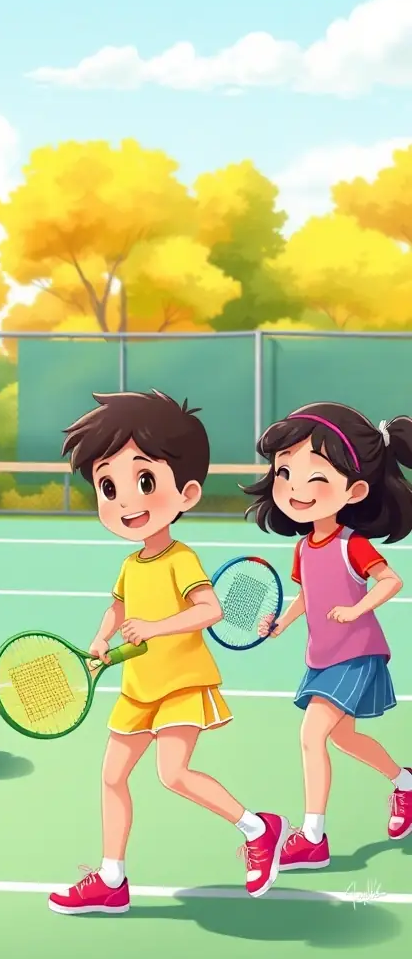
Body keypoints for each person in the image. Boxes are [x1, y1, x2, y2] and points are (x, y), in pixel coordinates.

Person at [48, 390, 288, 915]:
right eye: (108, 486)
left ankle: (259, 827)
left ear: (187, 492)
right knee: (111, 777)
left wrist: (155, 627)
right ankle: (112, 879)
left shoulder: (182, 558)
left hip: (181, 682)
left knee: (172, 774)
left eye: (144, 481)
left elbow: (209, 611)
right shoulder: (132, 564)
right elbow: (117, 606)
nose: (125, 500)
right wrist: (99, 640)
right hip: (138, 687)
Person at [245, 402, 412, 868]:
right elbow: (307, 596)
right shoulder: (303, 547)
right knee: (343, 739)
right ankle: (405, 783)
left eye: (314, 477)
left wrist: (356, 608)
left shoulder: (352, 544)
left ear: (354, 489)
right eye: (285, 473)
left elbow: (392, 581)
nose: (295, 488)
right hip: (322, 656)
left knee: (311, 735)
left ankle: (312, 835)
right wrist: (280, 624)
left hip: (357, 654)